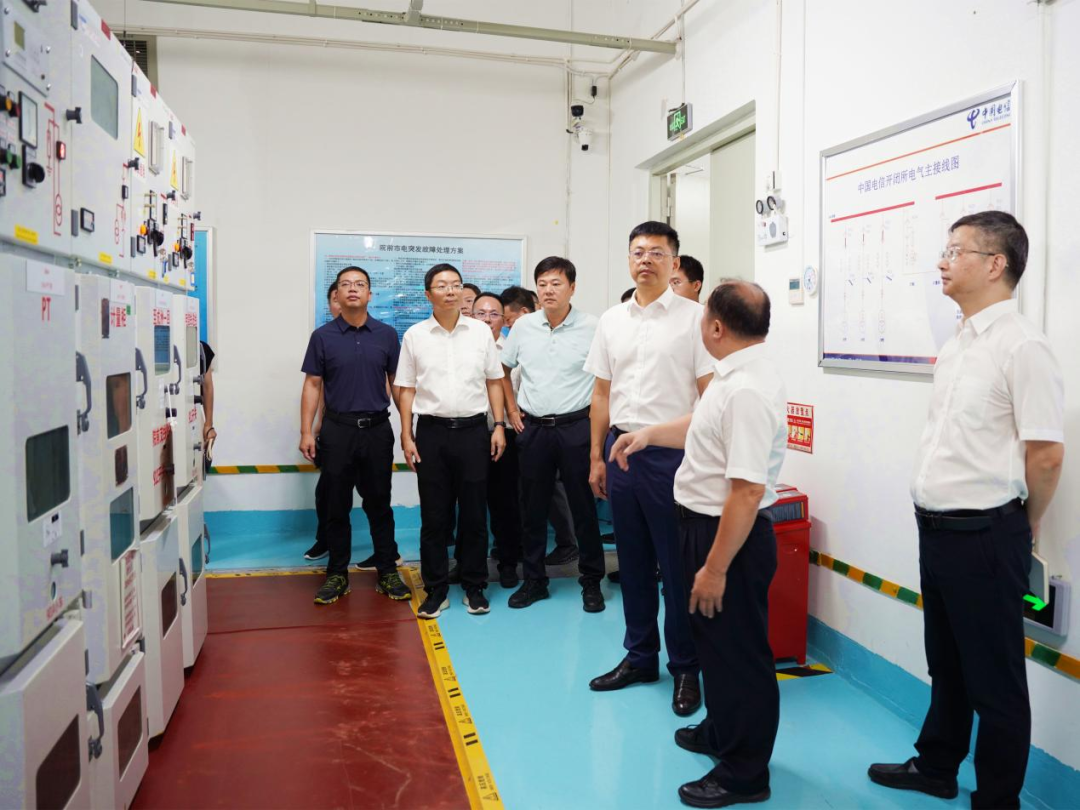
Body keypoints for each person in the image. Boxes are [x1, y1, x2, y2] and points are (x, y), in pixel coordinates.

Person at [869, 212, 1064, 810]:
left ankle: (998, 799)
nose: (942, 261)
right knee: (947, 662)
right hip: (938, 530)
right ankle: (937, 767)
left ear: (996, 264)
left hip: (986, 533)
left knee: (995, 679)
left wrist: (1026, 523)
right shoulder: (959, 343)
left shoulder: (1023, 346)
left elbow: (1047, 453)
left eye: (956, 251)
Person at [611, 280, 785, 808]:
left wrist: (714, 568)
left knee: (740, 657)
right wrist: (648, 434)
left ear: (716, 327)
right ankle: (720, 732)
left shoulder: (747, 389)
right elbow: (703, 426)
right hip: (702, 526)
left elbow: (747, 491)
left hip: (726, 538)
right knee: (715, 647)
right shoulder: (733, 375)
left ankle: (744, 774)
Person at [584, 221, 713, 717]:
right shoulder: (611, 321)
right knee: (632, 563)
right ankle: (640, 658)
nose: (646, 260)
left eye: (657, 253)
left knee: (676, 569)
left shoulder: (696, 319)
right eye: (638, 252)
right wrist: (597, 455)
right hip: (620, 452)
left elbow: (710, 398)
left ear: (674, 262)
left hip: (672, 458)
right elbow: (601, 394)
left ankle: (686, 667)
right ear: (628, 259)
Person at [396, 264, 507, 619]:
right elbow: (406, 388)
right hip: (431, 433)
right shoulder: (415, 335)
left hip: (474, 432)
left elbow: (494, 381)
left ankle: (475, 586)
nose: (451, 291)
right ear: (428, 294)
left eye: (456, 285)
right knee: (434, 516)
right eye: (442, 285)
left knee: (474, 514)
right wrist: (406, 434)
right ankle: (436, 589)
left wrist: (499, 425)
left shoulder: (480, 332)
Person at [501, 257, 605, 613]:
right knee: (532, 509)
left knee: (583, 509)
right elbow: (502, 369)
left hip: (577, 427)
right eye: (542, 284)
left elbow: (606, 379)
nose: (548, 290)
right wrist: (511, 409)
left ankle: (591, 581)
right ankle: (534, 580)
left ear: (572, 288)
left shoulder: (593, 327)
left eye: (556, 283)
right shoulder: (523, 326)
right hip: (534, 429)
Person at [299, 267, 409, 605]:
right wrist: (306, 431)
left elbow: (398, 384)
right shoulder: (323, 336)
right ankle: (337, 574)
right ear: (337, 294)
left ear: (370, 294)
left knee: (379, 503)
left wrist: (408, 429)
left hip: (377, 430)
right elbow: (312, 385)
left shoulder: (387, 335)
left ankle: (387, 571)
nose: (352, 289)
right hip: (338, 430)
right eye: (345, 284)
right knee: (336, 505)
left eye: (360, 284)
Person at [501, 284, 580, 559]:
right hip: (522, 426)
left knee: (557, 489)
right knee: (528, 493)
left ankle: (570, 546)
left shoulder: (577, 331)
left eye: (507, 319)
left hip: (553, 425)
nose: (505, 324)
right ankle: (530, 558)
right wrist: (512, 411)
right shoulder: (517, 338)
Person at [472, 291, 523, 588]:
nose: (487, 319)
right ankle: (470, 565)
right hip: (471, 434)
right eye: (481, 313)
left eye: (494, 314)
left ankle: (508, 563)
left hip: (506, 436)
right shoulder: (464, 349)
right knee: (471, 504)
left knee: (506, 504)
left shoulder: (512, 351)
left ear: (504, 319)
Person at [303, 281, 341, 562]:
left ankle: (385, 553)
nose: (342, 302)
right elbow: (315, 386)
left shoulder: (379, 336)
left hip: (368, 428)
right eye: (335, 298)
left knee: (375, 495)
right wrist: (313, 428)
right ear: (329, 304)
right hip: (332, 427)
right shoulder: (323, 338)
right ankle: (325, 540)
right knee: (327, 491)